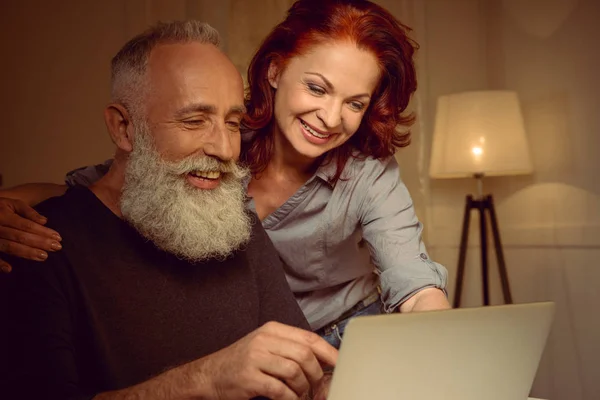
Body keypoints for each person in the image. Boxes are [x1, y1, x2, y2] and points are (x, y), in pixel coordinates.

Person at [0, 0, 450, 349]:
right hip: (257, 341)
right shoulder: (224, 143)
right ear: (275, 71)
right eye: (317, 88)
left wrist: (442, 337)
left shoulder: (368, 176)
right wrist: (10, 202)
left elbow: (413, 280)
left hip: (354, 334)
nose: (331, 117)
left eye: (355, 103)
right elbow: (107, 184)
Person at [3, 20, 337, 400]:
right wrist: (206, 379)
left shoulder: (237, 223)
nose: (225, 150)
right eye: (195, 121)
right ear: (123, 128)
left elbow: (310, 375)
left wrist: (333, 385)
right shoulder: (34, 240)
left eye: (232, 123)